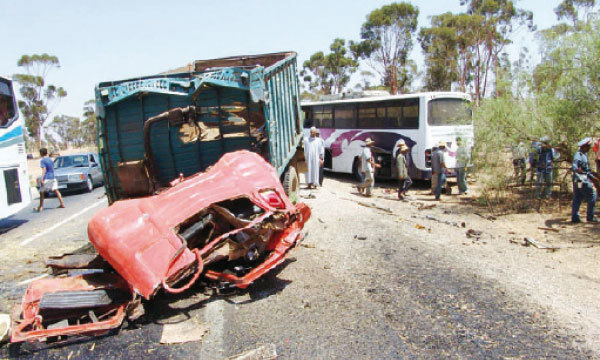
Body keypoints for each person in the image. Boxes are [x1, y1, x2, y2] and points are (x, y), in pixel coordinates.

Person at [571, 138, 598, 223]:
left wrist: (592, 177)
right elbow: (575, 166)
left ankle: (575, 217)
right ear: (584, 146)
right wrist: (577, 170)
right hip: (580, 180)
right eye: (588, 146)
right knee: (593, 195)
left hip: (580, 179)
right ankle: (590, 217)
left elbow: (586, 170)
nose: (589, 148)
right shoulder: (578, 155)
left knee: (578, 197)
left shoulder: (584, 155)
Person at [36, 147, 65, 212]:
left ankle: (41, 207)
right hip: (53, 177)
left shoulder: (43, 160)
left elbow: (44, 169)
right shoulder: (50, 160)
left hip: (47, 177)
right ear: (46, 152)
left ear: (41, 153)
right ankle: (62, 204)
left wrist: (42, 179)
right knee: (56, 190)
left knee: (41, 192)